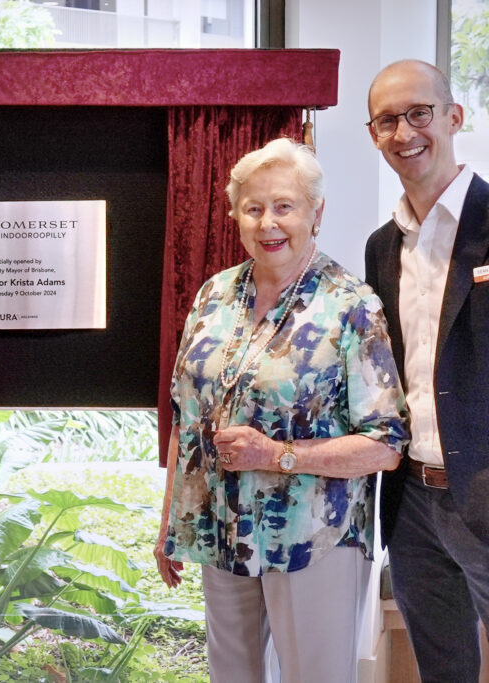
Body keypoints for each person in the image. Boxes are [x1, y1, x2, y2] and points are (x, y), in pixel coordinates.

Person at [154, 138, 409, 682]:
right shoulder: (213, 295)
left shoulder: (351, 305)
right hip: (220, 530)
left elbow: (385, 445)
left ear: (317, 213)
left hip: (314, 537)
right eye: (254, 208)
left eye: (285, 206)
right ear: (235, 216)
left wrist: (275, 454)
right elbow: (185, 416)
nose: (269, 222)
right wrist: (168, 524)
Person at [364, 59, 489, 682]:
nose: (404, 131)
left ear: (453, 117)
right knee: (444, 671)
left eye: (419, 113)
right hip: (411, 500)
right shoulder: (381, 246)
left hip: (487, 488)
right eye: (388, 119)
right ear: (373, 134)